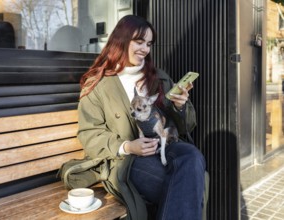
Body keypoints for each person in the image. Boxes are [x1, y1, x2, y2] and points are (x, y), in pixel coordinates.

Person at [77, 15, 207, 220]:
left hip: (164, 145)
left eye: (148, 44)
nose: (145, 49)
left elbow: (186, 126)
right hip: (128, 159)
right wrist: (128, 146)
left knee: (192, 155)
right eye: (139, 42)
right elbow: (88, 133)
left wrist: (180, 106)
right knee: (184, 184)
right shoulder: (99, 84)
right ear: (121, 40)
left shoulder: (159, 76)